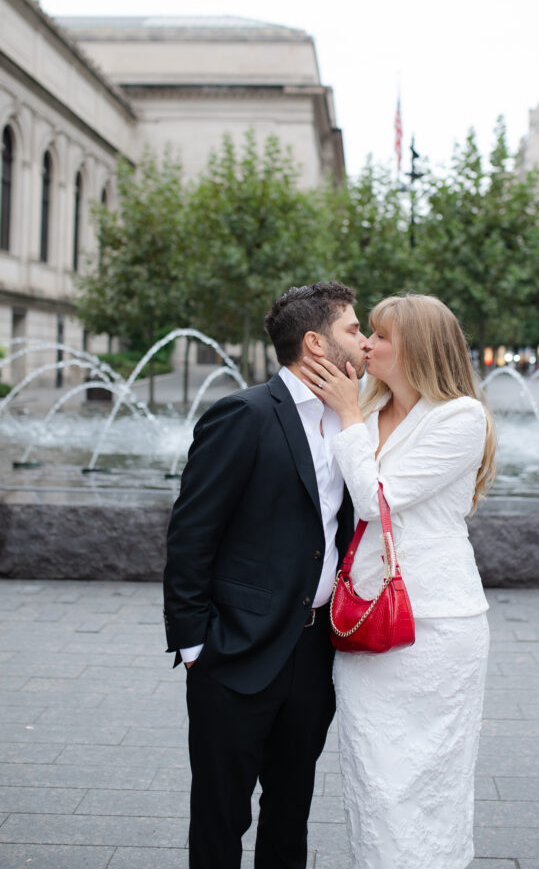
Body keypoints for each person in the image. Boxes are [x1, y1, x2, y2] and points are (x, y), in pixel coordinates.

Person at [163, 281, 367, 869]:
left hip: (314, 650)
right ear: (315, 343)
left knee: (291, 808)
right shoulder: (244, 415)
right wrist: (197, 643)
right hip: (236, 652)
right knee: (222, 815)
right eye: (353, 328)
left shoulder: (353, 422)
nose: (365, 338)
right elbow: (191, 534)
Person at [300, 294, 496, 869]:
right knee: (374, 782)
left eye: (379, 335)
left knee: (428, 779)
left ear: (415, 348)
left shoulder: (460, 417)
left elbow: (375, 499)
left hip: (436, 624)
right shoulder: (368, 403)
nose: (365, 344)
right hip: (363, 617)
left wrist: (349, 418)